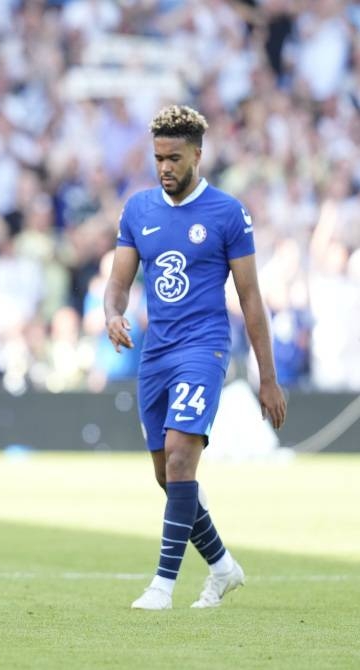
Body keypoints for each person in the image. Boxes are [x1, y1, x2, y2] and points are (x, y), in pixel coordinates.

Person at [103, 105, 287, 610]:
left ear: (197, 155)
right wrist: (113, 315)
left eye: (174, 158)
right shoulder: (138, 210)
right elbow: (117, 285)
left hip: (203, 350)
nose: (164, 167)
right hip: (155, 355)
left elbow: (251, 298)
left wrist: (266, 379)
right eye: (158, 157)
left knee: (183, 458)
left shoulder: (228, 213)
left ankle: (163, 584)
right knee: (168, 476)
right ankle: (223, 567)